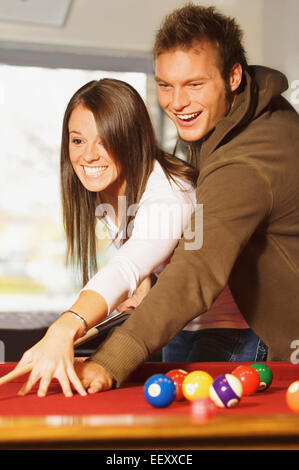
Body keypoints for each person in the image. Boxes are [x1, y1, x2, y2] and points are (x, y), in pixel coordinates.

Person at [69, 3, 299, 392]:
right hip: (206, 326)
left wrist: (109, 360)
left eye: (194, 84)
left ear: (233, 76)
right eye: (165, 85)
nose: (177, 103)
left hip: (261, 336)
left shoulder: (246, 160)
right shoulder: (216, 120)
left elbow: (198, 268)